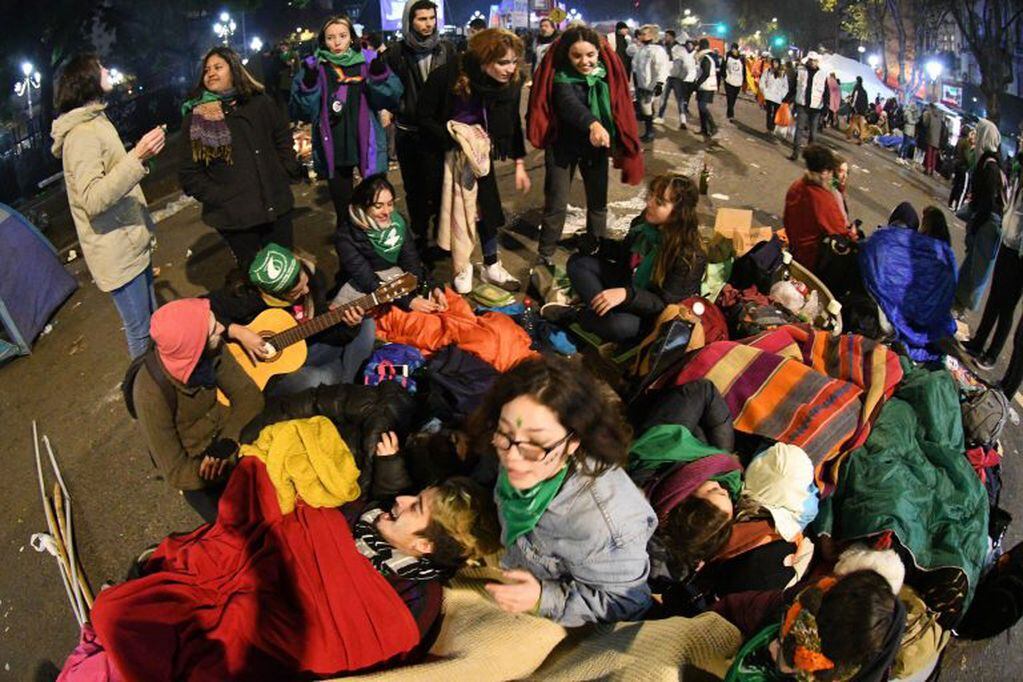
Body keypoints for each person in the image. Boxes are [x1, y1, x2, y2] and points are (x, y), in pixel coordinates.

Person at [473, 356, 657, 626]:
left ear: (573, 442)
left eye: (536, 443)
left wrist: (542, 597)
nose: (512, 458)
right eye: (504, 434)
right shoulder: (529, 457)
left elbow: (628, 603)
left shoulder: (603, 524)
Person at [51, 53, 165, 359]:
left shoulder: (95, 121)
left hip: (129, 242)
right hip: (116, 252)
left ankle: (163, 390)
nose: (106, 69)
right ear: (86, 79)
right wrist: (137, 156)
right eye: (100, 67)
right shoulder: (80, 135)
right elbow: (92, 199)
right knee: (140, 332)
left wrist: (138, 157)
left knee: (154, 324)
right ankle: (143, 398)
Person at [418, 28, 532, 293]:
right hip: (447, 155)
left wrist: (519, 163)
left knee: (487, 210)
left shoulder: (507, 85)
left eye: (514, 61)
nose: (509, 68)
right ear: (483, 58)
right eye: (502, 62)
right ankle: (463, 266)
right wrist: (456, 138)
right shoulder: (445, 76)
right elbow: (423, 117)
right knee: (457, 211)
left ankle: (491, 264)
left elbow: (512, 121)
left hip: (481, 155)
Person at [131, 298, 264, 521]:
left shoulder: (211, 346)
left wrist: (229, 442)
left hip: (228, 431)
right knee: (239, 528)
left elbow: (248, 396)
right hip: (197, 462)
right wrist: (218, 469)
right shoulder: (150, 394)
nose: (222, 329)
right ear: (192, 346)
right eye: (213, 330)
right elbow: (176, 471)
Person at [178, 47, 299, 270]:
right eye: (206, 70)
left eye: (218, 67)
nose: (211, 73)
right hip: (235, 218)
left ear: (234, 70)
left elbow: (282, 136)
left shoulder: (259, 102)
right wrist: (222, 197)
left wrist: (285, 168)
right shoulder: (197, 118)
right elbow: (189, 174)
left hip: (275, 203)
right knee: (255, 276)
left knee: (286, 270)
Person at [548, 174, 707, 342]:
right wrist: (597, 246)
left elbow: (666, 305)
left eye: (659, 202)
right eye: (651, 195)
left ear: (679, 213)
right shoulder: (644, 223)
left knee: (618, 326)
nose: (650, 203)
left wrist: (626, 295)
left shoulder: (690, 255)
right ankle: (600, 311)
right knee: (578, 263)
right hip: (628, 286)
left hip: (651, 314)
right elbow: (625, 254)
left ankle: (579, 315)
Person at [529, 25, 635, 266]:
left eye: (590, 55)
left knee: (598, 203)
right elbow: (569, 105)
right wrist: (594, 124)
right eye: (577, 55)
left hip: (593, 150)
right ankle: (545, 253)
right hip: (561, 148)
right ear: (567, 54)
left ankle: (595, 248)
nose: (584, 61)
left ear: (599, 52)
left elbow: (621, 103)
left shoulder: (605, 75)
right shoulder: (560, 77)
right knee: (556, 204)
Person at [290, 15, 403, 231]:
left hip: (366, 143)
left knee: (374, 207)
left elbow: (392, 96)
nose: (337, 42)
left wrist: (380, 75)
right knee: (344, 213)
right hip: (335, 146)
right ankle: (350, 259)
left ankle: (376, 256)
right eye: (330, 37)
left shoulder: (367, 62)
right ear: (323, 41)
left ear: (352, 38)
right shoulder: (316, 67)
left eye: (342, 36)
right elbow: (302, 110)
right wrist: (309, 83)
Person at [382, 0, 457, 258]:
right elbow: (386, 88)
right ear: (409, 21)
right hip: (409, 131)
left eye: (431, 18)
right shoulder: (396, 52)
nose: (427, 24)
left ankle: (441, 236)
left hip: (437, 131)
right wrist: (390, 107)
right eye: (421, 19)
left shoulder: (447, 49)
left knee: (440, 186)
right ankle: (418, 234)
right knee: (414, 188)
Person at [334, 173, 447, 312]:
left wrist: (431, 287)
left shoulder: (397, 223)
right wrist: (409, 301)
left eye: (390, 204)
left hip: (397, 285)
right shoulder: (346, 237)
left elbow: (412, 262)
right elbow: (368, 281)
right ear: (363, 206)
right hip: (369, 293)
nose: (386, 212)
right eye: (378, 206)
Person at [964, 160, 1021, 369]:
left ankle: (992, 354)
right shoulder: (1017, 171)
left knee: (1007, 306)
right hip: (1008, 242)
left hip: (1020, 252)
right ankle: (978, 342)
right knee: (995, 296)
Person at [955, 119, 1005, 313]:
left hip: (988, 224)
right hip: (984, 221)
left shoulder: (990, 166)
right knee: (971, 266)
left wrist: (975, 224)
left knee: (977, 272)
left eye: (979, 131)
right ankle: (958, 304)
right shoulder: (988, 161)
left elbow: (988, 202)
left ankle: (961, 309)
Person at [782, 144, 854, 271]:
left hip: (794, 245)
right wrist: (852, 234)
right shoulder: (822, 197)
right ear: (825, 173)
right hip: (810, 258)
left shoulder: (798, 185)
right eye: (835, 171)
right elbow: (839, 230)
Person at [631, 25, 670, 143]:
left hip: (650, 86)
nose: (642, 36)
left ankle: (650, 132)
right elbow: (635, 67)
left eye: (645, 34)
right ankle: (649, 130)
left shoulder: (657, 50)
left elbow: (662, 68)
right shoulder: (641, 50)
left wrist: (660, 83)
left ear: (653, 35)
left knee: (647, 109)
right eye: (641, 34)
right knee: (645, 109)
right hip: (642, 85)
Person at [788, 52, 828, 161]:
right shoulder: (800, 71)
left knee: (813, 133)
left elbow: (826, 92)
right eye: (811, 60)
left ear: (817, 62)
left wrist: (825, 107)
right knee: (799, 129)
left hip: (816, 107)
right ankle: (795, 153)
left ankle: (810, 155)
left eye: (815, 60)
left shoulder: (823, 74)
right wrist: (788, 99)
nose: (813, 62)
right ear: (808, 60)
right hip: (802, 104)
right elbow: (794, 87)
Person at [655, 30, 686, 128]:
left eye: (667, 36)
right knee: (663, 97)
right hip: (667, 77)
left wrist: (683, 76)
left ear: (672, 37)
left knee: (680, 99)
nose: (665, 37)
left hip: (677, 77)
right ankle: (660, 117)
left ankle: (683, 120)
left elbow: (685, 63)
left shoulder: (680, 48)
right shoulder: (664, 48)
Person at [694, 38, 719, 139]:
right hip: (704, 86)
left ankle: (713, 127)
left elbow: (706, 73)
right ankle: (704, 129)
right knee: (700, 108)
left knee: (703, 107)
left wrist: (697, 83)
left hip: (707, 86)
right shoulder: (708, 56)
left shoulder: (706, 57)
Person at [759, 58, 787, 137]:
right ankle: (769, 128)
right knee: (769, 112)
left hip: (777, 97)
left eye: (776, 63)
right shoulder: (767, 71)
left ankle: (772, 127)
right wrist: (764, 91)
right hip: (769, 96)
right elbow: (762, 81)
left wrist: (782, 95)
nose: (774, 64)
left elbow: (785, 86)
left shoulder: (783, 74)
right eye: (773, 62)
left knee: (775, 113)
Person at [950, 126, 975, 210]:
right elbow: (968, 158)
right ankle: (957, 205)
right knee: (962, 188)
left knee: (955, 185)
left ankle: (951, 202)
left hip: (957, 164)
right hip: (963, 167)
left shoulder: (960, 140)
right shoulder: (967, 144)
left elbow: (955, 152)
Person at [720, 43, 745, 122]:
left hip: (738, 81)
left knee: (733, 98)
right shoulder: (727, 56)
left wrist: (744, 80)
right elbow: (723, 67)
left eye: (735, 48)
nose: (733, 50)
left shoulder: (741, 58)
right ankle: (731, 115)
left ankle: (729, 111)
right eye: (732, 48)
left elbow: (744, 70)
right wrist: (724, 76)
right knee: (730, 97)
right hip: (729, 81)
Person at [921, 102, 944, 176]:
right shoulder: (939, 117)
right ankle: (932, 171)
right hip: (937, 139)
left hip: (930, 137)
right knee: (934, 157)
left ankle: (927, 169)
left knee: (929, 155)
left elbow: (926, 124)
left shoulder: (930, 115)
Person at [846, 75, 869, 145]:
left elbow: (854, 99)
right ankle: (861, 138)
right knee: (861, 125)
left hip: (857, 110)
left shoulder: (857, 89)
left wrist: (852, 107)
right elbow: (866, 102)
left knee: (852, 123)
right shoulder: (864, 91)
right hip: (862, 111)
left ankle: (849, 137)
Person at [898, 98, 920, 164]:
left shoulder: (912, 113)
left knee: (907, 145)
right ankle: (899, 157)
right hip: (908, 129)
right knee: (905, 144)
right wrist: (915, 122)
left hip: (910, 131)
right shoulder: (908, 112)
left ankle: (904, 157)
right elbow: (909, 121)